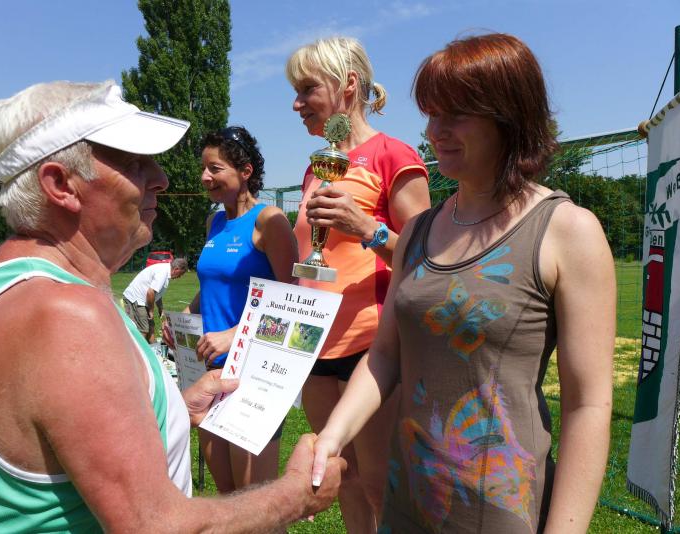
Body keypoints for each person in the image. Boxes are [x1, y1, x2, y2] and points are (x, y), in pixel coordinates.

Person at [0, 80, 344, 533]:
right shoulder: (67, 315)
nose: (161, 178)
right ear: (61, 184)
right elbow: (155, 526)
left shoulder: (0, 289)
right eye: (134, 162)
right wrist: (293, 496)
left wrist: (176, 409)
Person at [311, 33, 615, 533]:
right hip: (407, 500)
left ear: (509, 117)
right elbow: (384, 355)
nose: (435, 131)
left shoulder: (567, 231)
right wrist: (333, 436)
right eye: (431, 114)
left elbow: (589, 404)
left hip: (499, 509)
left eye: (456, 114)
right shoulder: (417, 232)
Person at [286, 36, 431, 532]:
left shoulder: (394, 155)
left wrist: (368, 228)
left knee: (378, 485)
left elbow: (430, 259)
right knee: (339, 479)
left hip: (372, 346)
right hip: (312, 343)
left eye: (307, 89)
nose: (297, 104)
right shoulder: (315, 167)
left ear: (347, 85)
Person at [182, 126, 298, 494]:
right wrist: (186, 315)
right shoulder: (214, 222)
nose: (205, 177)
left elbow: (293, 303)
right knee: (229, 499)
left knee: (255, 503)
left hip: (254, 373)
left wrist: (235, 335)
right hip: (210, 371)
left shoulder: (269, 221)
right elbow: (213, 283)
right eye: (204, 168)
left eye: (215, 169)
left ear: (245, 171)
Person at [123, 256, 187, 342]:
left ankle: (153, 349)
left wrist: (160, 309)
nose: (180, 277)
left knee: (151, 327)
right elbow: (150, 292)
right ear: (176, 269)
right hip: (136, 299)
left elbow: (156, 293)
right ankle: (137, 349)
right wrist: (151, 311)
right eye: (181, 274)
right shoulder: (163, 272)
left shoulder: (166, 272)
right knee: (143, 329)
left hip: (143, 300)